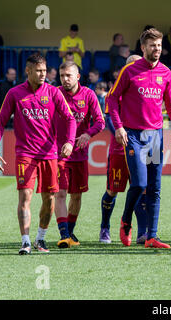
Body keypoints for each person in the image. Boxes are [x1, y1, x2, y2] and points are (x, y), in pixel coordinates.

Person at [106, 28, 171, 249]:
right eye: (152, 45)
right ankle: (125, 221)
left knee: (155, 187)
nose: (157, 49)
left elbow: (170, 103)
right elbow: (112, 100)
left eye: (159, 45)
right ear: (143, 48)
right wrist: (119, 128)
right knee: (140, 184)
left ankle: (152, 236)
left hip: (155, 136)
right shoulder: (130, 71)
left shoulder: (166, 73)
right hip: (133, 135)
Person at [0, 52, 76, 255]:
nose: (43, 74)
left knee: (49, 199)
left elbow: (71, 119)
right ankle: (25, 241)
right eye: (38, 71)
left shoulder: (54, 93)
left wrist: (70, 142)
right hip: (25, 154)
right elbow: (0, 123)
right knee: (25, 195)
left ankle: (40, 238)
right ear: (27, 71)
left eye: (45, 70)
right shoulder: (14, 93)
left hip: (49, 155)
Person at [54, 61, 105, 248]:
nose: (65, 79)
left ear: (78, 76)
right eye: (62, 76)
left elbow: (100, 121)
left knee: (76, 196)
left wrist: (87, 133)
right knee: (60, 193)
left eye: (68, 75)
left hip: (80, 155)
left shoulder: (89, 95)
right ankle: (64, 234)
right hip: (58, 154)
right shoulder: (55, 94)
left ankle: (70, 233)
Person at [99, 54, 149, 245]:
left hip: (142, 148)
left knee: (141, 189)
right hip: (120, 150)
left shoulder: (146, 89)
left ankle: (142, 232)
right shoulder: (116, 90)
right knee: (113, 190)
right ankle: (105, 227)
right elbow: (110, 118)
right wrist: (121, 135)